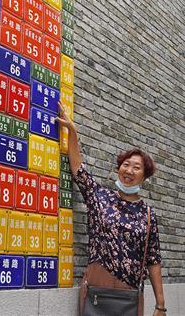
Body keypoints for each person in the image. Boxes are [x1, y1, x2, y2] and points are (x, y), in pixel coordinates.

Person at [55, 103, 166, 316]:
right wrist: (73, 133)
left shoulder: (148, 215)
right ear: (119, 168)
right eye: (126, 164)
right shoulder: (100, 197)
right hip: (96, 294)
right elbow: (78, 169)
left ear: (144, 176)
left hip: (129, 298)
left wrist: (160, 304)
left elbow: (153, 260)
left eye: (136, 167)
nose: (129, 170)